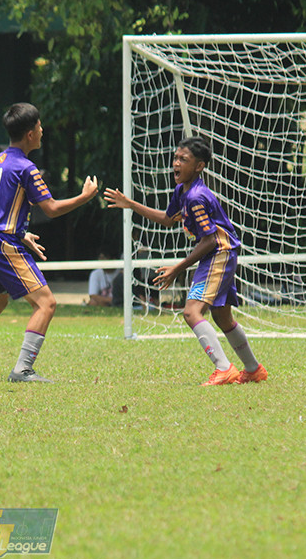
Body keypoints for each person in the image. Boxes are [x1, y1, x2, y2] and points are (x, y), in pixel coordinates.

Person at [0, 102, 98, 382]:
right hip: (1, 241)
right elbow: (52, 208)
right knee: (46, 303)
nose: (42, 130)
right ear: (30, 133)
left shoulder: (1, 160)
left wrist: (21, 231)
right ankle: (22, 369)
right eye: (40, 126)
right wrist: (85, 196)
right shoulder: (27, 168)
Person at [104, 136, 267, 386]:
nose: (176, 164)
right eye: (176, 158)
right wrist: (130, 204)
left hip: (218, 254)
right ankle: (253, 369)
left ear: (199, 166)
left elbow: (210, 241)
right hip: (221, 253)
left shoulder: (196, 198)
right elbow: (169, 219)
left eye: (184, 159)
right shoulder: (182, 191)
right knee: (222, 318)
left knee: (191, 313)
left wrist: (176, 269)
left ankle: (224, 368)